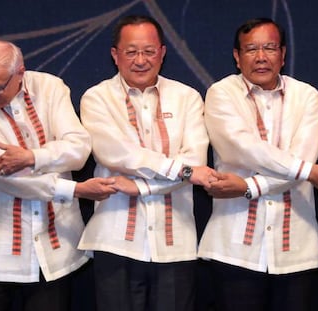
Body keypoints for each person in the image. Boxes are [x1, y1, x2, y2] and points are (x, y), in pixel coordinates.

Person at [197, 17, 318, 311]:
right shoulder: (220, 93)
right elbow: (244, 149)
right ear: (237, 57)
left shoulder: (306, 96)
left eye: (269, 47)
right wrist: (309, 172)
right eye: (251, 49)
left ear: (283, 54)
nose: (261, 57)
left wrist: (248, 186)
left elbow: (300, 158)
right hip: (234, 246)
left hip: (295, 247)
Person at [77, 15, 216, 311]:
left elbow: (195, 160)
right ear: (115, 55)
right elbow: (116, 153)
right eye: (131, 52)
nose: (140, 60)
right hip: (115, 240)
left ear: (163, 53)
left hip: (175, 240)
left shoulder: (187, 97)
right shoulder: (97, 98)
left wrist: (138, 187)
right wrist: (181, 170)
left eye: (149, 51)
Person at [0, 39, 117, 311]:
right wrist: (76, 189)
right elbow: (4, 177)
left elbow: (79, 148)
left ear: (20, 73)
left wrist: (33, 157)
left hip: (54, 251)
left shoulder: (49, 88)